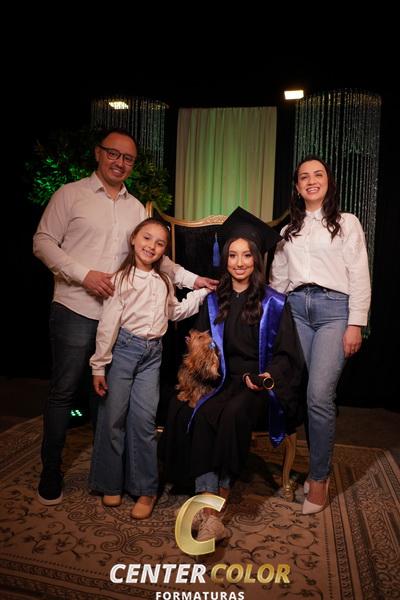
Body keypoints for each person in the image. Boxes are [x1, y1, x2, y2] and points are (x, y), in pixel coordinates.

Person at [33, 128, 217, 506]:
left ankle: (109, 476)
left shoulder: (136, 209)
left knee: (108, 402)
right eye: (113, 154)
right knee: (64, 391)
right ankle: (50, 468)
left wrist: (193, 280)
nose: (120, 162)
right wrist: (84, 275)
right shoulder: (70, 194)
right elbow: (42, 242)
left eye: (128, 158)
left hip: (124, 322)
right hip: (76, 308)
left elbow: (158, 259)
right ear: (99, 153)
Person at [161, 207, 305, 541]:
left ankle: (214, 506)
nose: (239, 263)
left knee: (233, 412)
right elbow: (199, 342)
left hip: (256, 386)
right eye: (233, 255)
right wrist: (201, 365)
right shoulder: (214, 300)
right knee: (194, 409)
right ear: (225, 259)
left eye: (246, 255)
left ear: (256, 259)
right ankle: (208, 505)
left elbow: (287, 355)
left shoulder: (275, 303)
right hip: (220, 380)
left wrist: (265, 377)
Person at [89, 218, 210, 519]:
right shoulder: (121, 280)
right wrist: (99, 366)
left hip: (152, 356)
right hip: (123, 351)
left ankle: (145, 488)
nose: (151, 246)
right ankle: (110, 483)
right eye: (146, 238)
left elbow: (174, 312)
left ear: (164, 251)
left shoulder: (163, 281)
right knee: (113, 418)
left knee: (143, 421)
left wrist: (200, 293)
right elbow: (108, 325)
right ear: (133, 238)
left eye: (159, 243)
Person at [270, 155, 371, 515]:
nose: (311, 181)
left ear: (328, 182)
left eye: (318, 175)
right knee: (301, 394)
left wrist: (356, 323)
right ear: (297, 187)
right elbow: (279, 281)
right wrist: (268, 321)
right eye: (304, 177)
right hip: (296, 309)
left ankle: (319, 478)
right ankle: (314, 466)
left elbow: (359, 274)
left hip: (334, 312)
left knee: (319, 395)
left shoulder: (347, 223)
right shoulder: (288, 231)